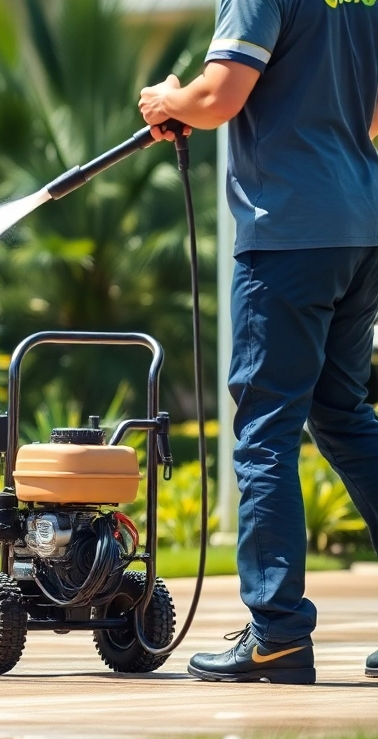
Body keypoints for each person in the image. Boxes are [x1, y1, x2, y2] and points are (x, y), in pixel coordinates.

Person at [138, 0, 378, 684]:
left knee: (267, 432)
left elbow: (218, 95)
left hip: (289, 233)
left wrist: (169, 100)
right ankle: (277, 631)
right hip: (359, 227)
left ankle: (276, 634)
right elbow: (372, 117)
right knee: (343, 415)